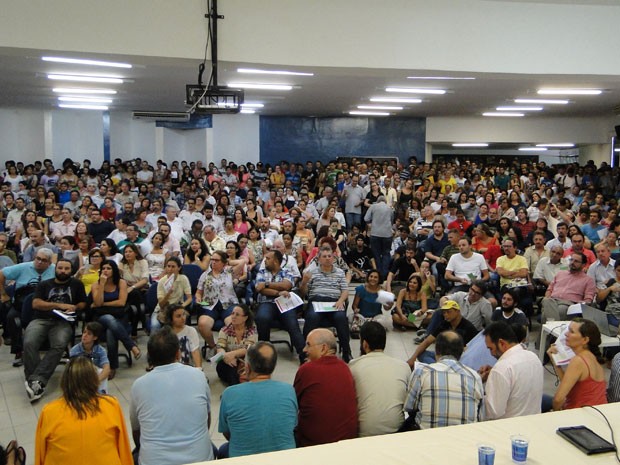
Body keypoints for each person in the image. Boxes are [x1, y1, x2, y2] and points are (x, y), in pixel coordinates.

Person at [130, 327, 214, 465]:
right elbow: (207, 420)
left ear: (149, 356)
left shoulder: (139, 385)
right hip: (199, 458)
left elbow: (136, 431)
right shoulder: (198, 376)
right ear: (178, 354)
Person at [35, 356, 132, 465]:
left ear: (65, 381)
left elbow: (40, 456)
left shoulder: (49, 412)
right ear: (94, 380)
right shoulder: (111, 405)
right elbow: (124, 451)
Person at [218, 341, 298, 458]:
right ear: (274, 366)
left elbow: (227, 432)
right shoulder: (289, 391)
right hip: (284, 459)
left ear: (247, 367)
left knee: (223, 449)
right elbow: (292, 425)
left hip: (243, 460)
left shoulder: (230, 394)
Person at [24, 258, 87, 402]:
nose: (63, 271)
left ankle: (36, 380)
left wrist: (75, 307)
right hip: (41, 319)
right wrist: (59, 306)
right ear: (55, 269)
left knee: (59, 345)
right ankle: (35, 380)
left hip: (63, 322)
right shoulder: (44, 284)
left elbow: (83, 302)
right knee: (29, 342)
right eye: (60, 268)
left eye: (66, 269)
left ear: (71, 271)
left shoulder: (76, 284)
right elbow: (36, 303)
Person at [405, 330, 484, 429]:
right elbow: (480, 415)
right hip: (464, 439)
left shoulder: (421, 372)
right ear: (461, 352)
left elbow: (409, 406)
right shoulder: (475, 377)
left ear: (437, 350)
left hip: (426, 437)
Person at [294, 328, 358, 447]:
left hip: (314, 445)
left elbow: (293, 405)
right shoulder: (345, 368)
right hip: (348, 444)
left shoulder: (306, 370)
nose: (304, 350)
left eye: (308, 345)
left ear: (323, 348)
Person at [349, 322, 410, 436]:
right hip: (397, 431)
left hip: (364, 434)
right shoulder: (403, 366)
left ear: (364, 344)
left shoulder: (353, 367)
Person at [479, 321, 543, 420]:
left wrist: (477, 385)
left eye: (491, 349)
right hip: (534, 422)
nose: (491, 354)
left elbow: (493, 411)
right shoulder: (533, 357)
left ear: (501, 343)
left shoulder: (501, 368)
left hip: (508, 429)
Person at [299, 247, 352, 362]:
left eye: (330, 256)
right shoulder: (312, 272)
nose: (327, 259)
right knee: (312, 317)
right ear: (319, 259)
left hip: (334, 302)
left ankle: (347, 351)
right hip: (317, 301)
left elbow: (345, 291)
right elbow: (303, 293)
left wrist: (341, 301)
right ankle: (306, 353)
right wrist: (304, 282)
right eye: (324, 256)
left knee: (341, 318)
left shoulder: (339, 272)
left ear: (333, 258)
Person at [91, 260, 141, 378]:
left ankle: (112, 367)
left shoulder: (121, 283)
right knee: (108, 319)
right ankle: (131, 346)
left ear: (114, 270)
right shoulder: (96, 285)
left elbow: (121, 302)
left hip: (120, 317)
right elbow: (98, 303)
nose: (106, 271)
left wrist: (105, 304)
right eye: (103, 268)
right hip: (100, 319)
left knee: (111, 332)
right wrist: (102, 285)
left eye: (108, 268)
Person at [254, 250, 306, 362]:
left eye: (268, 258)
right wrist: (277, 292)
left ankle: (303, 355)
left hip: (284, 303)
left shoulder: (287, 272)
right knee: (262, 318)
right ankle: (263, 353)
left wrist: (267, 284)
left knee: (293, 324)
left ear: (276, 261)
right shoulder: (262, 272)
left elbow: (286, 285)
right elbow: (259, 289)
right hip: (266, 302)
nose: (265, 261)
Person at [547, 318, 608, 410]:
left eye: (571, 332)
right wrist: (555, 362)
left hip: (580, 414)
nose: (566, 334)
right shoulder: (592, 358)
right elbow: (569, 384)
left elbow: (558, 399)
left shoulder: (578, 361)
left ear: (585, 340)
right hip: (597, 411)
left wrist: (556, 413)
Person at [195, 250, 245, 354]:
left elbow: (242, 262)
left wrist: (227, 262)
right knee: (203, 324)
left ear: (223, 262)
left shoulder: (229, 273)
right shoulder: (205, 275)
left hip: (228, 304)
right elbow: (199, 292)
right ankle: (214, 347)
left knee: (233, 324)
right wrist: (198, 298)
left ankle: (230, 349)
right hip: (209, 304)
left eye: (216, 260)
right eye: (212, 260)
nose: (213, 262)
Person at [407, 300, 478, 367]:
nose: (445, 315)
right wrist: (413, 358)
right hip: (443, 356)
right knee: (421, 354)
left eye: (448, 312)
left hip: (459, 359)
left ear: (457, 311)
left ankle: (437, 367)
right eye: (444, 312)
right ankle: (439, 367)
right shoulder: (444, 324)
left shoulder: (468, 327)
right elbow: (427, 341)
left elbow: (472, 351)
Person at [541, 252, 597, 322]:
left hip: (568, 304)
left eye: (576, 261)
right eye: (571, 260)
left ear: (583, 265)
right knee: (546, 300)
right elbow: (549, 289)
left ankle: (549, 329)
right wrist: (548, 296)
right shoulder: (560, 273)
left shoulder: (588, 280)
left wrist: (578, 306)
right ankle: (553, 327)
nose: (572, 262)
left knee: (552, 313)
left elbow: (588, 300)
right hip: (552, 300)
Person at [215, 304, 258, 385]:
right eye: (232, 313)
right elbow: (220, 347)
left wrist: (231, 354)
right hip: (228, 362)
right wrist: (226, 357)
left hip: (246, 360)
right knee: (230, 369)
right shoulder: (225, 330)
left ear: (245, 318)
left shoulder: (251, 330)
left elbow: (248, 348)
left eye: (237, 314)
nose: (233, 316)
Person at [150, 256, 192, 332]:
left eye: (173, 267)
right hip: (162, 309)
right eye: (168, 266)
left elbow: (189, 298)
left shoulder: (183, 278)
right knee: (155, 326)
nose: (170, 269)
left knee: (181, 324)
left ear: (179, 268)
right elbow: (161, 304)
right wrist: (168, 293)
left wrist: (181, 307)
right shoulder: (162, 281)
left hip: (177, 307)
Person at [69, 321, 111, 393]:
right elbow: (73, 371)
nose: (84, 335)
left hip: (95, 379)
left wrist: (95, 381)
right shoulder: (74, 350)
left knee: (101, 371)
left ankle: (102, 395)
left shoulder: (101, 350)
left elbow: (107, 369)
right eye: (84, 332)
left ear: (95, 337)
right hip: (80, 376)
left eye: (89, 334)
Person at [364, 196, 394, 278]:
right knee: (386, 253)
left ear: (377, 201)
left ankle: (378, 274)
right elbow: (391, 221)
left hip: (375, 234)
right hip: (387, 234)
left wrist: (371, 224)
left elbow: (366, 218)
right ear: (385, 201)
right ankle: (384, 274)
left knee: (376, 254)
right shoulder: (389, 208)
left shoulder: (373, 206)